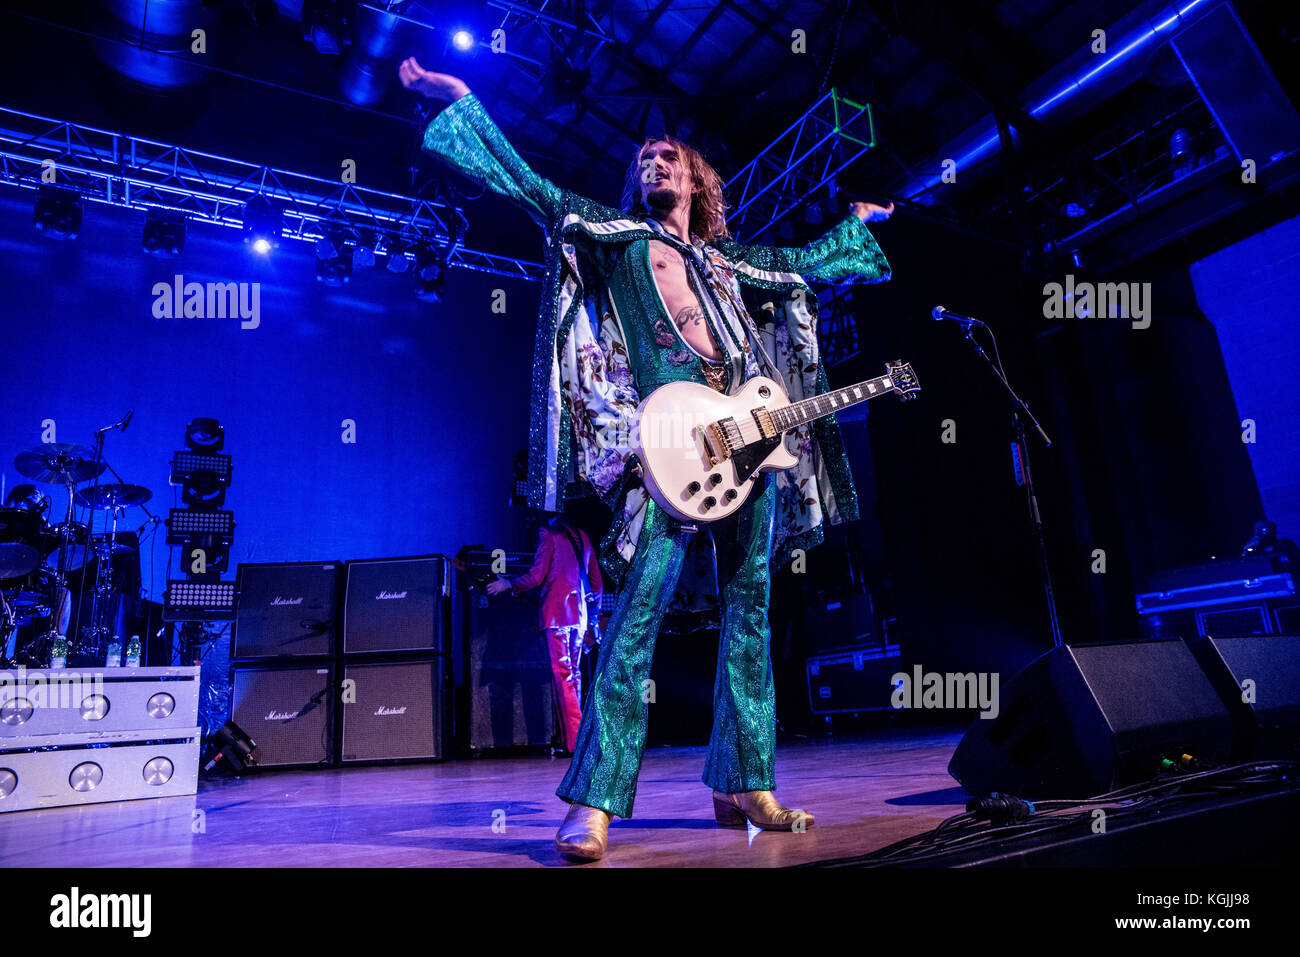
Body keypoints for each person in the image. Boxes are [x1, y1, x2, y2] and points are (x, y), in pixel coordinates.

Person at [402, 59, 893, 861]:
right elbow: (535, 189)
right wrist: (464, 103)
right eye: (643, 160)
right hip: (665, 443)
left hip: (749, 445)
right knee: (635, 614)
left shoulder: (732, 263)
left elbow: (804, 263)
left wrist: (858, 225)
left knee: (752, 612)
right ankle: (595, 797)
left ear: (697, 179)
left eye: (667, 156)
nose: (651, 163)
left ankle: (745, 780)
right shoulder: (620, 237)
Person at [486, 515, 602, 755]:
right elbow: (597, 584)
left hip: (557, 614)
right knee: (573, 676)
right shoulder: (584, 537)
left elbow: (537, 576)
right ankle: (566, 738)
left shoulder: (548, 535)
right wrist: (592, 618)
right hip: (578, 616)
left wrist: (509, 584)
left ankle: (575, 742)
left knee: (563, 676)